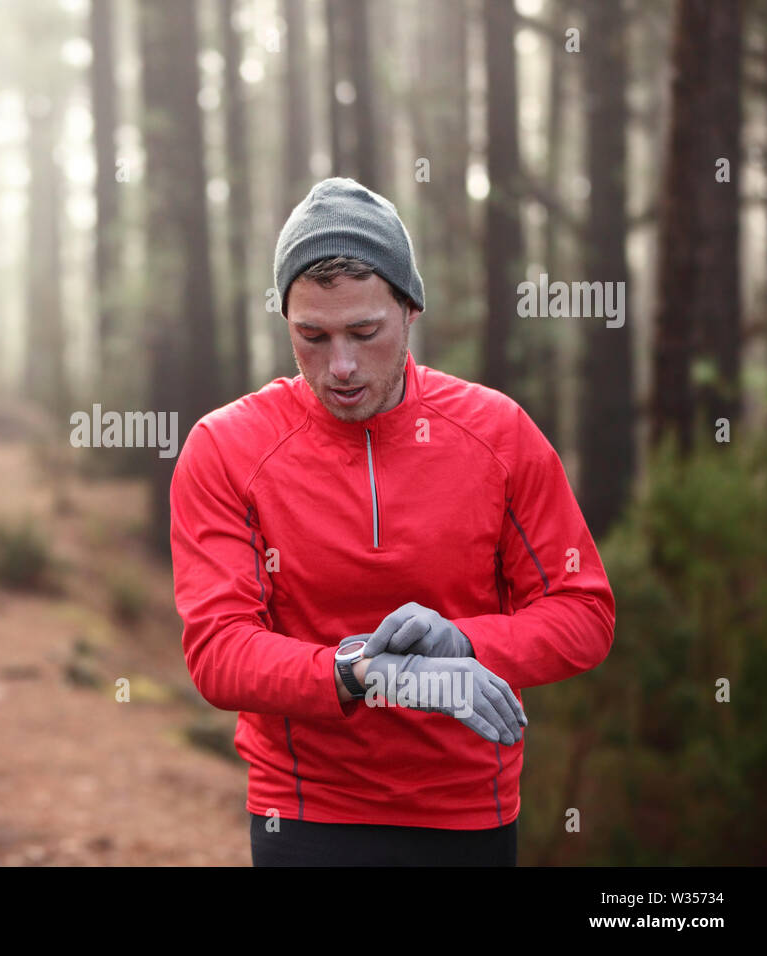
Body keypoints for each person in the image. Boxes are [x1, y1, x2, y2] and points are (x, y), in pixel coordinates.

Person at [169, 177, 615, 866]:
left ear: (410, 310)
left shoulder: (498, 433)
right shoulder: (227, 446)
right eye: (311, 336)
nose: (339, 367)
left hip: (467, 811)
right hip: (304, 808)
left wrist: (462, 646)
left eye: (364, 332)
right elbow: (220, 652)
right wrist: (376, 673)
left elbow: (584, 614)